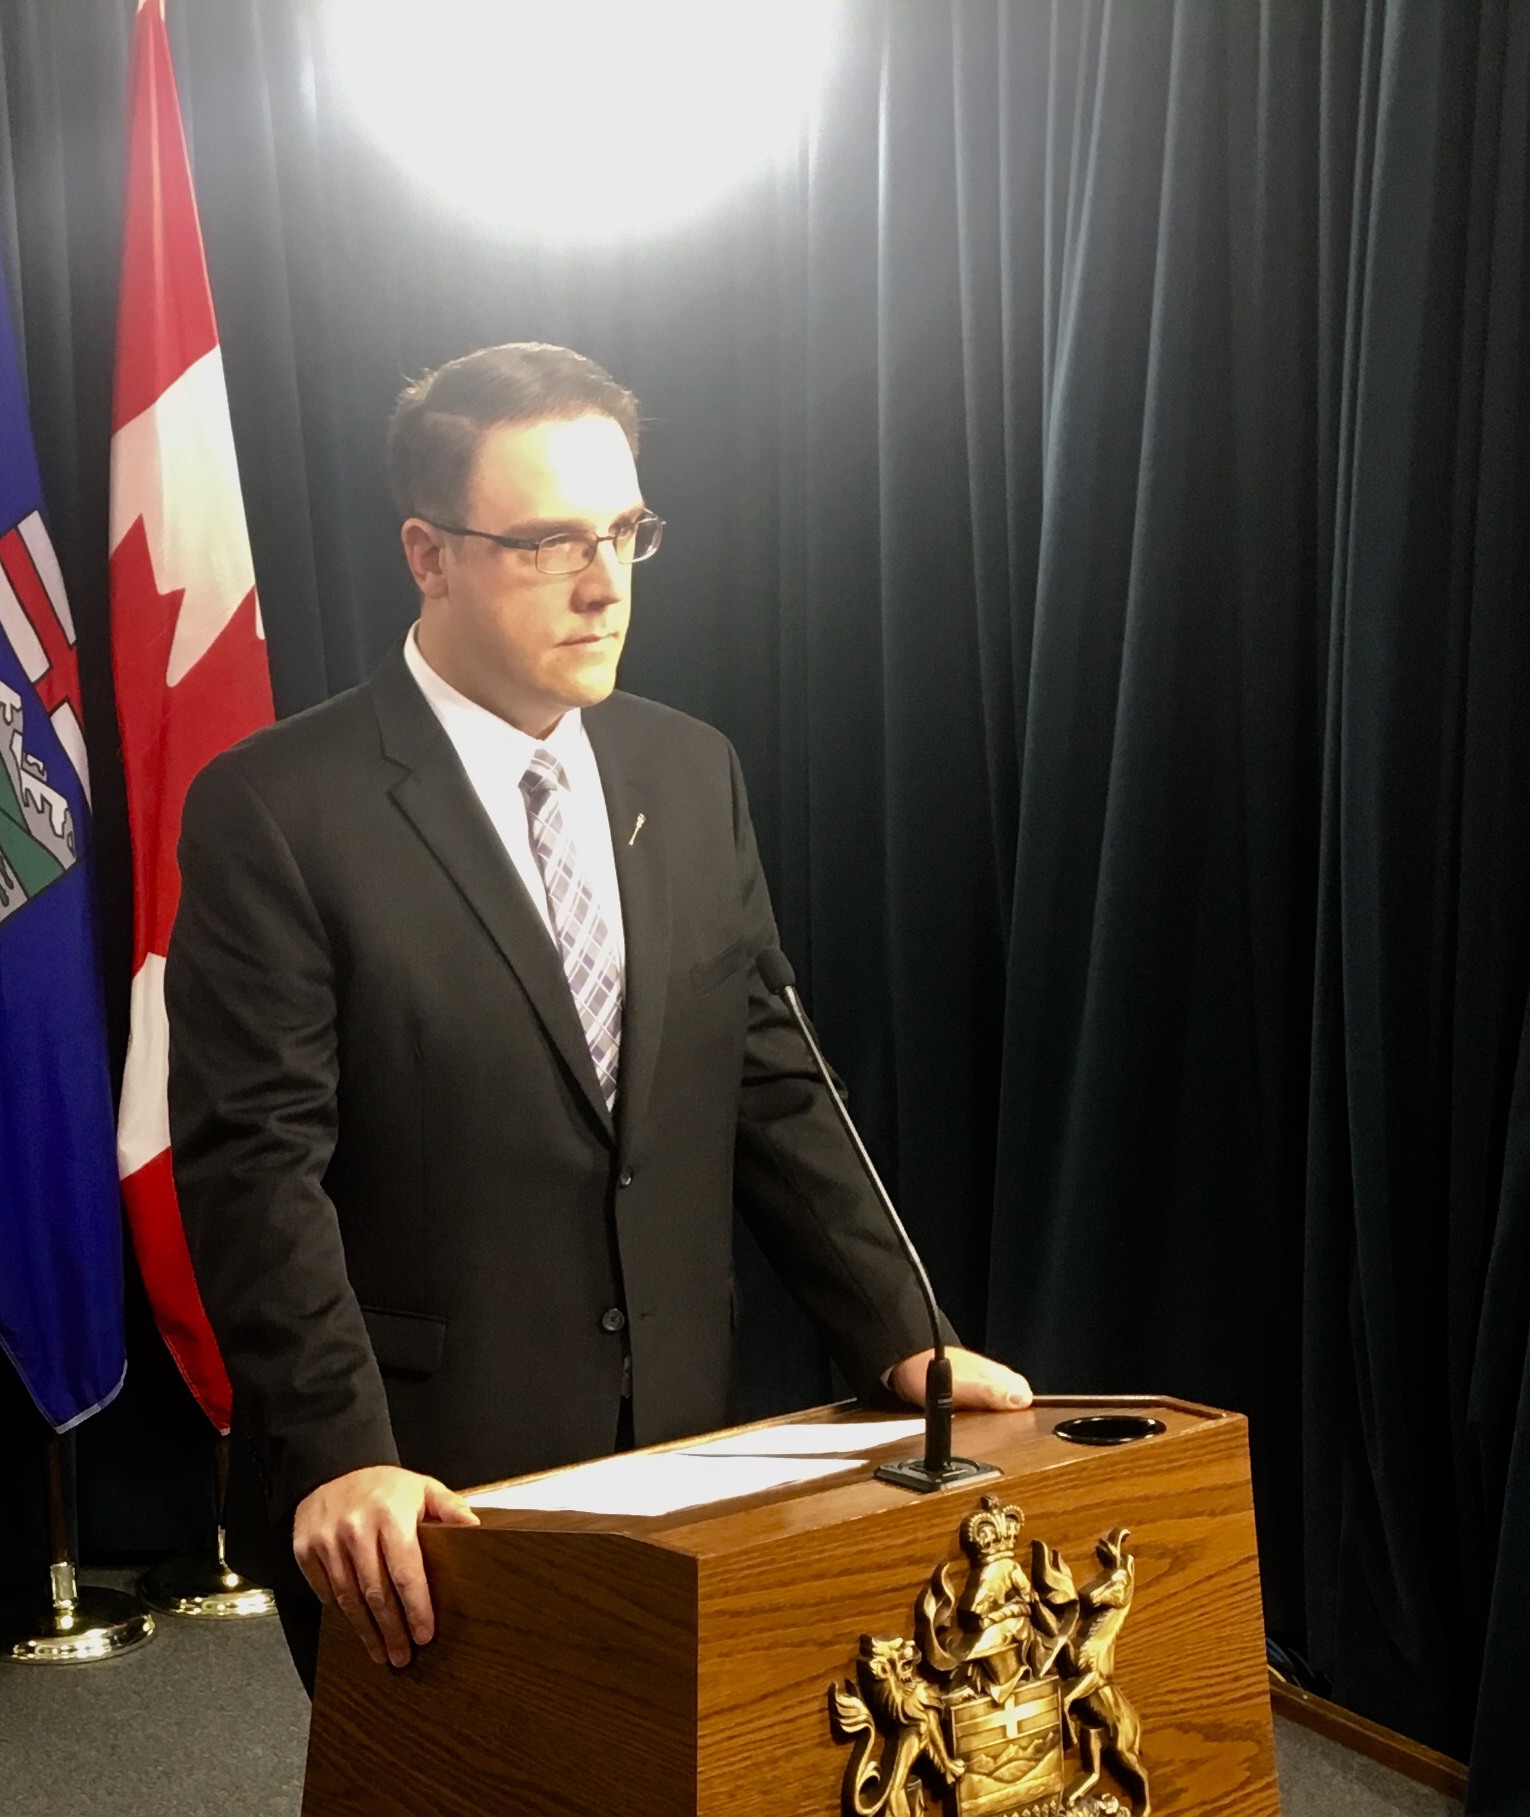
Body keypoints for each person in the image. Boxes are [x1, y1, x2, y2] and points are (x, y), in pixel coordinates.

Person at [165, 342, 1029, 1685]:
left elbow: (771, 1079)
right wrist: (345, 1451)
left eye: (625, 532)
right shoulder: (277, 808)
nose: (603, 582)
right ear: (427, 553)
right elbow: (255, 1171)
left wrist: (898, 1331)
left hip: (684, 1446)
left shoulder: (690, 771)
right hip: (420, 1486)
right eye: (548, 542)